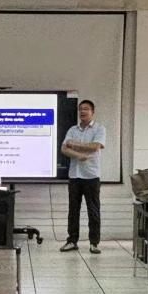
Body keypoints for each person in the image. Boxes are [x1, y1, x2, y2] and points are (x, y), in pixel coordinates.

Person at [59, 99, 106, 254]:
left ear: (93, 112)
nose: (82, 112)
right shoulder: (73, 130)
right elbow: (64, 149)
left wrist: (74, 144)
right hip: (75, 175)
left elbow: (95, 146)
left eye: (86, 109)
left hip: (91, 175)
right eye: (80, 109)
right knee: (73, 210)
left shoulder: (99, 128)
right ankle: (72, 241)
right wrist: (79, 155)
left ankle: (94, 243)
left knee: (93, 210)